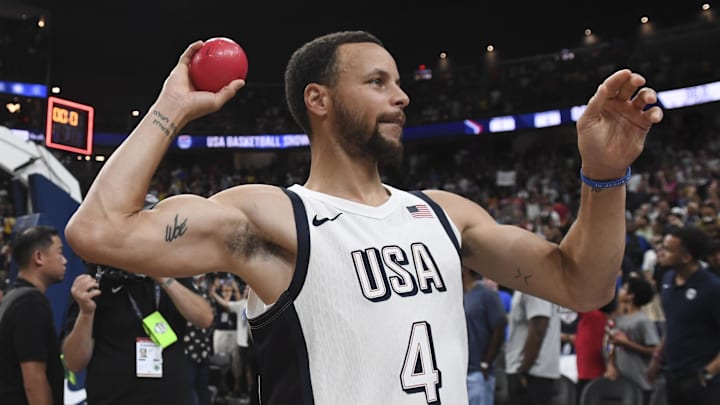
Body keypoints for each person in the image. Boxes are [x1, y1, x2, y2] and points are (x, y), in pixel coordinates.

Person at [64, 30, 663, 404]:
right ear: (318, 101)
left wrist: (604, 175)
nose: (401, 96)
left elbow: (583, 285)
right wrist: (171, 107)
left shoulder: (442, 214)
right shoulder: (275, 217)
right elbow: (97, 231)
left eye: (399, 83)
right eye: (377, 82)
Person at [61, 262, 214, 404]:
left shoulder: (171, 270)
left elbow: (204, 318)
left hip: (172, 397)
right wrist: (86, 313)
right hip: (114, 398)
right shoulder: (96, 281)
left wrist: (163, 278)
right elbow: (74, 363)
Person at [646, 226, 720, 405]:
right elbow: (672, 325)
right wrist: (657, 357)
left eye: (668, 250)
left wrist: (708, 372)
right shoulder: (667, 279)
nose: (660, 252)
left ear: (686, 257)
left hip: (704, 381)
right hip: (673, 375)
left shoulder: (712, 288)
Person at [0, 225, 67, 404]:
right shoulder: (31, 303)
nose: (65, 260)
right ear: (39, 257)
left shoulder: (11, 297)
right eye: (59, 252)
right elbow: (34, 380)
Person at [604, 272, 659, 405]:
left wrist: (628, 344)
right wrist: (610, 364)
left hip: (639, 382)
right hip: (618, 378)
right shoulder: (617, 319)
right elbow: (610, 344)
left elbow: (654, 349)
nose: (619, 291)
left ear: (631, 296)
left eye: (623, 289)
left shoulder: (643, 320)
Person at [504, 290, 562, 405]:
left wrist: (523, 370)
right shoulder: (528, 284)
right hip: (531, 372)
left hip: (531, 373)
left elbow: (538, 330)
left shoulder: (534, 285)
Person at [462, 265, 507, 405]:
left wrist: (486, 363)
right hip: (461, 371)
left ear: (466, 269)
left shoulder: (487, 294)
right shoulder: (459, 296)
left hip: (478, 372)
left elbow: (500, 328)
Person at [212, 280, 258, 404]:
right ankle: (247, 391)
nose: (246, 290)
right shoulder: (241, 304)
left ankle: (253, 392)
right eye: (246, 289)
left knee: (254, 369)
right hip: (242, 341)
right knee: (244, 368)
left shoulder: (260, 304)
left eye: (249, 288)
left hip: (255, 342)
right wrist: (213, 293)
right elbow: (226, 304)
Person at [183, 274, 215, 405]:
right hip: (187, 349)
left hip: (203, 350)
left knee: (203, 387)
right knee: (188, 386)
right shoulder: (186, 293)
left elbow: (212, 319)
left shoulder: (205, 295)